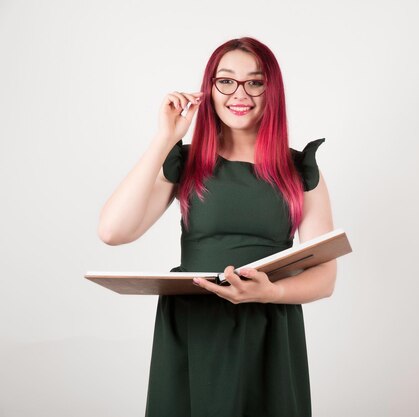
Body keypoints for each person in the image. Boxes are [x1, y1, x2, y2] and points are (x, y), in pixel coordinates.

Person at [97, 37, 336, 417]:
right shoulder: (186, 161)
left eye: (255, 82)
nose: (240, 93)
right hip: (194, 326)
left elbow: (325, 277)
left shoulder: (299, 169)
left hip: (268, 329)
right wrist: (165, 139)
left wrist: (269, 293)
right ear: (209, 89)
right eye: (226, 81)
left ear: (271, 90)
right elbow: (113, 231)